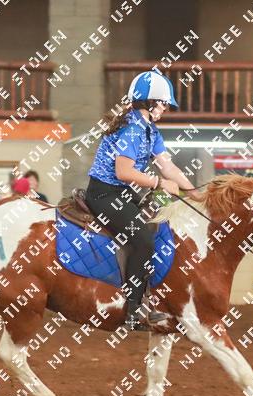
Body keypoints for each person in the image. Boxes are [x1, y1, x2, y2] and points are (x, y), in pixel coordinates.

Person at [84, 69, 201, 331]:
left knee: (156, 230)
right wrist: (160, 183)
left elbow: (168, 167)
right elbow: (123, 172)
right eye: (164, 103)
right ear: (150, 102)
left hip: (121, 194)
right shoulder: (132, 129)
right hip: (104, 194)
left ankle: (149, 299)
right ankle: (132, 311)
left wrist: (195, 193)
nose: (165, 108)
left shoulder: (150, 130)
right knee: (143, 240)